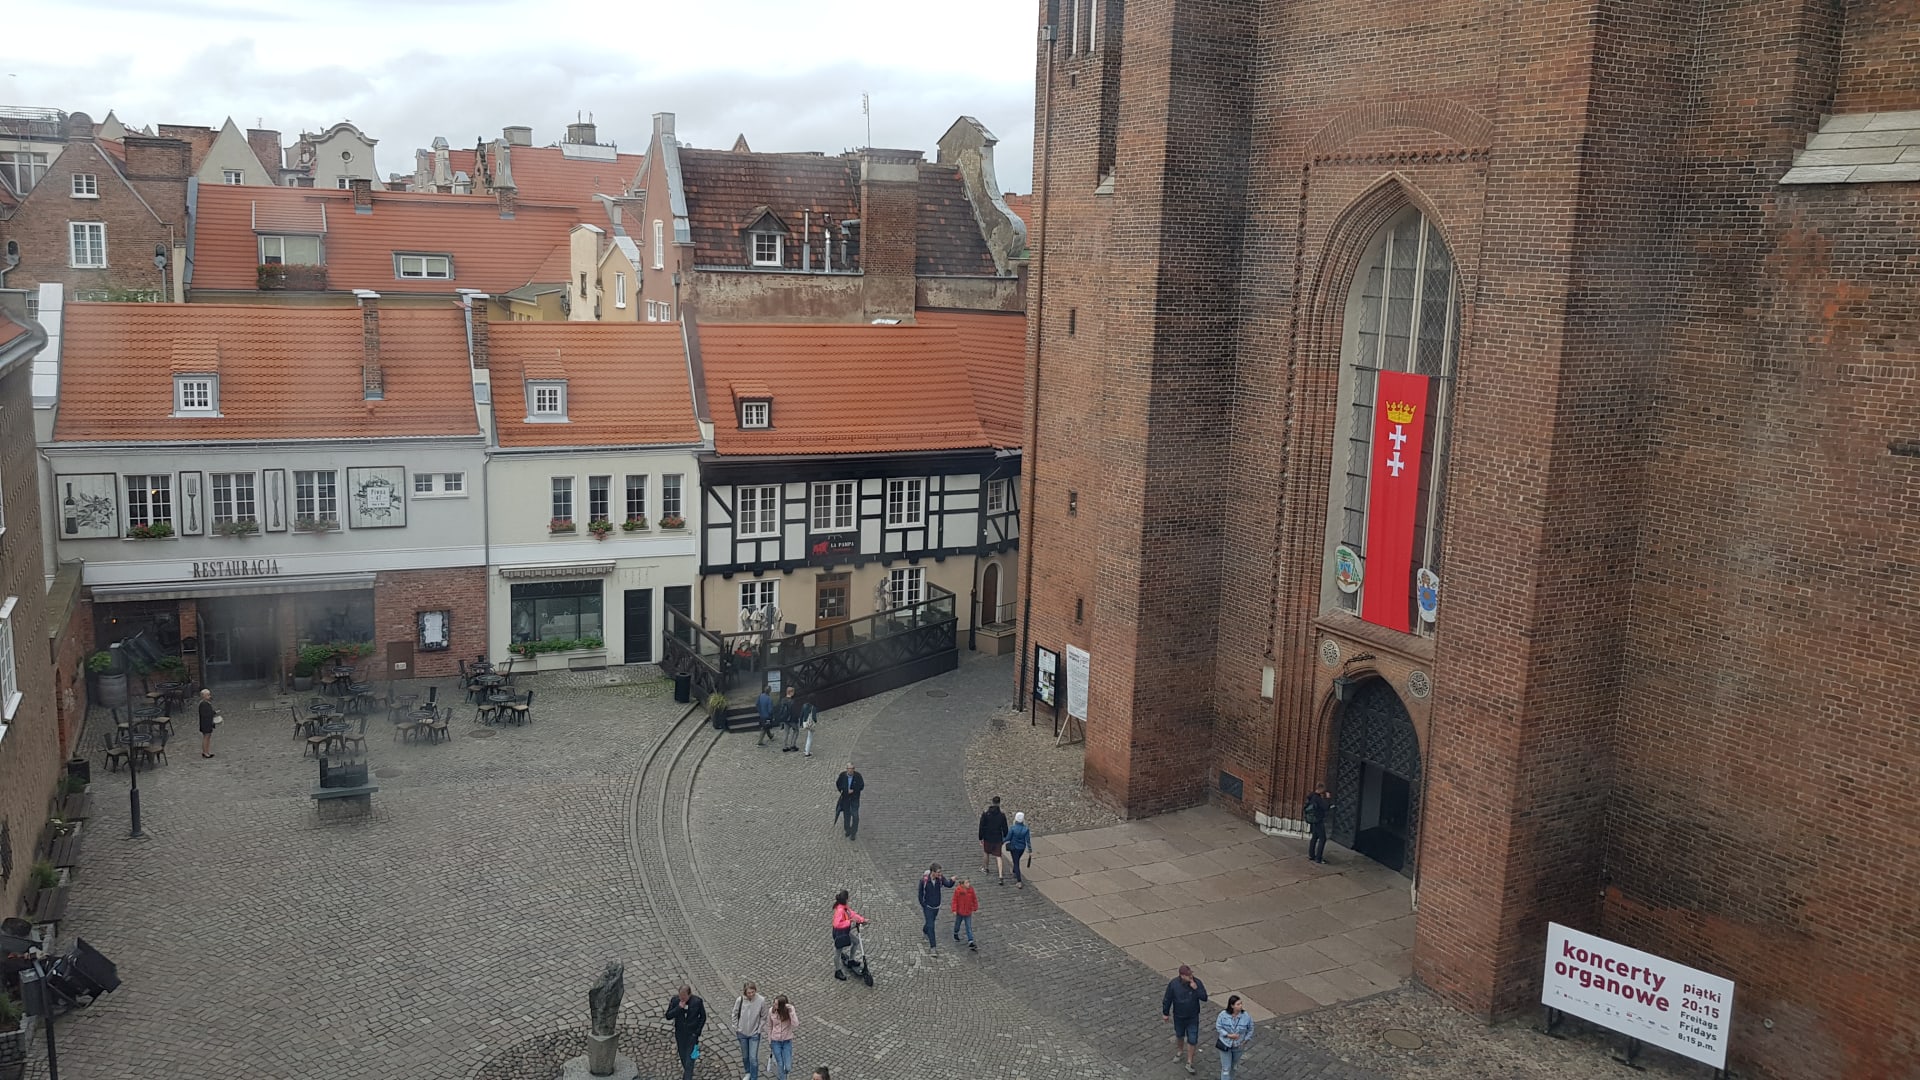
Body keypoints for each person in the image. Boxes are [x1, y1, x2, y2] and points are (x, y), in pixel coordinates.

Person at [1161, 964, 1209, 1074]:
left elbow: (1204, 997)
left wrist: (1196, 989)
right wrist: (1165, 1013)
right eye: (1188, 975)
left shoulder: (1197, 982)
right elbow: (1168, 998)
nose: (1191, 976)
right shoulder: (1174, 984)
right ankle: (1180, 1051)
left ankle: (1189, 1061)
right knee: (1180, 1035)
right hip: (1179, 1016)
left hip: (1193, 1016)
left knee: (1192, 1038)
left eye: (1191, 974)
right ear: (1182, 976)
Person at [664, 984, 707, 1080]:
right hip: (680, 1035)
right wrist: (678, 1008)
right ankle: (688, 1073)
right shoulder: (675, 1001)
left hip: (692, 1035)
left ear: (689, 994)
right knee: (683, 1057)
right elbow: (668, 1016)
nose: (682, 998)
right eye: (680, 996)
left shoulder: (697, 1002)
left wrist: (697, 1032)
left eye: (684, 997)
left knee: (689, 1061)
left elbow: (703, 1017)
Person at [731, 981, 770, 1080]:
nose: (751, 994)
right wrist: (736, 1027)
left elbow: (764, 1016)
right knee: (745, 1056)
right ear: (745, 992)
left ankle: (754, 1077)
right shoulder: (740, 1000)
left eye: (753, 992)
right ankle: (748, 1072)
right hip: (742, 1033)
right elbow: (735, 1013)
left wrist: (759, 1029)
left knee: (753, 1058)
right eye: (749, 993)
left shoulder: (761, 1000)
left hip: (754, 1034)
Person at [831, 889, 869, 981]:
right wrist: (849, 921)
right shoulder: (840, 910)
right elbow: (836, 924)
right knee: (838, 951)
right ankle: (837, 971)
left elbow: (852, 914)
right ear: (846, 899)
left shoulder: (845, 907)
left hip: (845, 931)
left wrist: (862, 920)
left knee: (856, 941)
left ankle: (851, 961)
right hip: (839, 933)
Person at [917, 863, 955, 952]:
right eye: (938, 872)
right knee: (931, 926)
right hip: (928, 906)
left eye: (940, 872)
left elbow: (948, 884)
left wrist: (952, 881)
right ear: (932, 872)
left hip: (936, 906)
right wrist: (923, 905)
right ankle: (933, 947)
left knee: (930, 922)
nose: (940, 874)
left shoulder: (940, 879)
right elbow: (920, 894)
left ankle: (925, 930)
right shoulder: (924, 881)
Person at [1215, 993, 1253, 1079]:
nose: (1240, 1006)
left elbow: (1250, 1029)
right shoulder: (1223, 1015)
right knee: (1226, 1068)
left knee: (1233, 1067)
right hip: (1225, 1044)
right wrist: (1228, 1035)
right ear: (1232, 1006)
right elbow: (1218, 1027)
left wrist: (1245, 1041)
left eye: (1241, 1004)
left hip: (1238, 1046)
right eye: (1238, 1004)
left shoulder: (1246, 1016)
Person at [978, 796, 1009, 883]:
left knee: (986, 852)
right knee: (998, 856)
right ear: (999, 803)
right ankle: (1000, 876)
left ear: (992, 802)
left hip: (987, 837)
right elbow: (1005, 828)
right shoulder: (1002, 815)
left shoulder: (986, 814)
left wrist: (980, 837)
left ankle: (986, 868)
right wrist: (1005, 836)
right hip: (997, 838)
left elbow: (981, 826)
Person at [767, 994, 797, 1080]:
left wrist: (792, 1011)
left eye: (776, 1004)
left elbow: (795, 1024)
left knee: (787, 1067)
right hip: (775, 1041)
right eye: (774, 1003)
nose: (774, 1005)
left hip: (787, 1041)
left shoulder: (788, 1012)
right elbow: (769, 1026)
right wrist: (770, 1040)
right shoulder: (771, 1011)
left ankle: (785, 1075)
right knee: (780, 1064)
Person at [834, 763, 865, 841]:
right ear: (847, 769)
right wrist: (844, 790)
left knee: (855, 816)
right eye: (849, 769)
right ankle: (847, 830)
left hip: (854, 799)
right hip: (845, 799)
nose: (850, 770)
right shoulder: (842, 776)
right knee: (846, 816)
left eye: (852, 769)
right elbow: (838, 784)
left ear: (854, 769)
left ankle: (853, 832)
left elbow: (861, 786)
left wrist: (853, 790)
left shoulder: (858, 776)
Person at [1305, 786, 1333, 864]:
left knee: (1314, 837)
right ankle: (1318, 858)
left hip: (1313, 819)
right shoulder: (1318, 798)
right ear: (1321, 789)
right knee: (1322, 839)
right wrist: (1328, 798)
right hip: (1318, 820)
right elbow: (1325, 807)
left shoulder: (1311, 796)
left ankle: (1311, 855)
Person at [1006, 811, 1034, 888]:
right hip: (1021, 848)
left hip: (1014, 847)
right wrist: (1030, 850)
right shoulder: (1026, 829)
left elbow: (1008, 838)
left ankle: (1019, 881)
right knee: (1017, 859)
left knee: (1016, 862)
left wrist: (1001, 841)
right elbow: (1028, 840)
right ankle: (1014, 871)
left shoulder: (1013, 828)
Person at [951, 876, 979, 951]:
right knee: (957, 924)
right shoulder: (958, 890)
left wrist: (975, 906)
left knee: (968, 927)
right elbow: (954, 900)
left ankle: (970, 941)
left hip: (968, 911)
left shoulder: (971, 890)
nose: (968, 884)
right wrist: (954, 909)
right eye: (966, 883)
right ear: (962, 884)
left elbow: (974, 898)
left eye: (968, 882)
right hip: (960, 912)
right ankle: (956, 933)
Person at [779, 686, 802, 751]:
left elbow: (781, 710)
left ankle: (785, 746)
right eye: (793, 692)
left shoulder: (783, 700)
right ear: (790, 692)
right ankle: (793, 745)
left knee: (786, 732)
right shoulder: (792, 701)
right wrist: (797, 720)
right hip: (792, 719)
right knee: (796, 731)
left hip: (785, 719)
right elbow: (794, 712)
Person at [198, 688, 218, 758]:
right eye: (208, 695)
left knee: (207, 737)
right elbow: (204, 714)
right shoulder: (203, 704)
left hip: (206, 723)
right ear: (203, 696)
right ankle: (205, 752)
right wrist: (212, 713)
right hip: (205, 723)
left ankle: (206, 751)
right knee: (206, 737)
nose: (209, 696)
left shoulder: (206, 703)